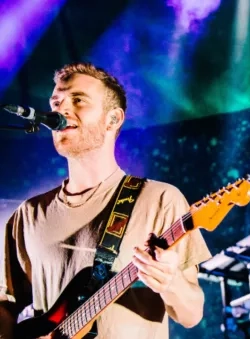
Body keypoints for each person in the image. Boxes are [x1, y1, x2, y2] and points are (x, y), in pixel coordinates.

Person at [0, 62, 212, 339]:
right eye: (56, 101)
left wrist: (170, 282)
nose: (61, 109)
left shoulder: (160, 199)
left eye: (78, 100)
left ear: (113, 119)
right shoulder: (29, 214)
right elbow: (6, 305)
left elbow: (192, 315)